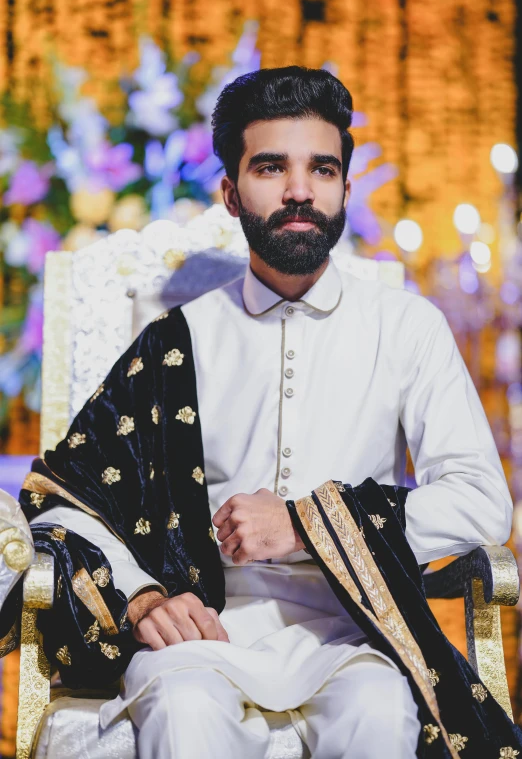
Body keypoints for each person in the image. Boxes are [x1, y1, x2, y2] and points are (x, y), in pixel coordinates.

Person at [14, 66, 521, 758]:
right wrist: (137, 598)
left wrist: (305, 525)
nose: (299, 190)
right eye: (271, 167)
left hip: (356, 632)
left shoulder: (407, 327)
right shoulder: (178, 338)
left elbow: (482, 503)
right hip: (206, 633)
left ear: (344, 185)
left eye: (323, 168)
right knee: (185, 707)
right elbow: (65, 496)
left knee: (381, 713)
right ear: (230, 192)